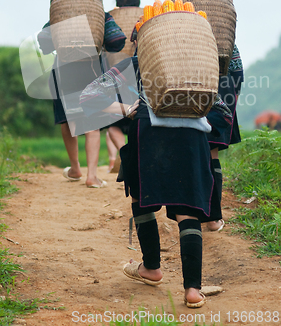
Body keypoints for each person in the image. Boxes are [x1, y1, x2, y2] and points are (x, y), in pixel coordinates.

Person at [79, 39, 232, 307]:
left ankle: (151, 268)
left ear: (143, 41)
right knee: (188, 209)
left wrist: (126, 109)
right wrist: (195, 119)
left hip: (148, 134)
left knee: (142, 197)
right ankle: (193, 289)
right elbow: (224, 113)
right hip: (192, 138)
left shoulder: (137, 64)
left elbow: (88, 97)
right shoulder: (196, 67)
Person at [37, 0, 126, 188]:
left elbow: (44, 41)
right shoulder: (101, 15)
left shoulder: (60, 16)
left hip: (62, 72)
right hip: (91, 70)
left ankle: (75, 168)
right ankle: (91, 176)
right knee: (92, 122)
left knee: (67, 120)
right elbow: (116, 41)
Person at [207, 44, 244, 230]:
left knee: (193, 150)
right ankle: (213, 220)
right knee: (212, 153)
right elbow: (237, 74)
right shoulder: (222, 33)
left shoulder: (181, 27)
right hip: (221, 88)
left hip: (185, 88)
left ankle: (191, 217)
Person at [106, 0, 141, 172]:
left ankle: (122, 151)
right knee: (139, 118)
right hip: (141, 75)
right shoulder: (146, 16)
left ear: (117, 1)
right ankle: (136, 155)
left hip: (116, 77)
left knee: (113, 123)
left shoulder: (110, 17)